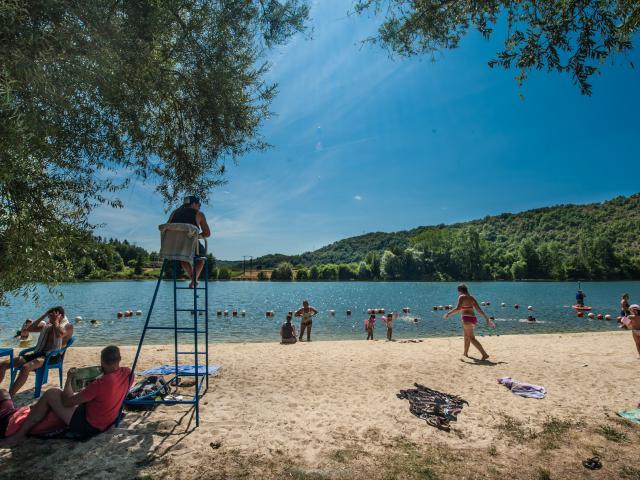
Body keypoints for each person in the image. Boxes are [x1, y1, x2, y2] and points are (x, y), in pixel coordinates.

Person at [1, 345, 131, 445]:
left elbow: (67, 402)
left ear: (102, 362)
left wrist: (69, 379)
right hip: (106, 418)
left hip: (88, 425)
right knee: (71, 394)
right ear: (119, 359)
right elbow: (109, 392)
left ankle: (20, 435)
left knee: (52, 393)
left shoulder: (101, 383)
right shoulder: (128, 373)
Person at [0, 307, 73, 396]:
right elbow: (29, 329)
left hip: (52, 356)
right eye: (49, 316)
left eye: (52, 316)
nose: (50, 319)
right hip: (38, 353)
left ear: (59, 316)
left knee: (26, 367)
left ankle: (9, 396)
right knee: (3, 364)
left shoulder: (68, 326)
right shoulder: (47, 325)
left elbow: (59, 334)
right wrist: (43, 315)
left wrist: (55, 321)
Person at [168, 195, 211, 288]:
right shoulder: (198, 214)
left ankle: (193, 280)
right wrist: (197, 236)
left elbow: (168, 228)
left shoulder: (174, 213)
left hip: (175, 247)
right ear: (193, 204)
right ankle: (194, 280)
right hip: (192, 246)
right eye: (199, 204)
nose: (199, 206)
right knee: (201, 258)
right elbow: (207, 233)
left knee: (183, 257)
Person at [444, 284, 495, 360]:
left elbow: (458, 308)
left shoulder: (461, 297)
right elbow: (479, 310)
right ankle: (465, 353)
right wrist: (486, 318)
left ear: (460, 290)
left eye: (458, 291)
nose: (458, 293)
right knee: (466, 336)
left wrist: (448, 313)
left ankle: (484, 354)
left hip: (466, 319)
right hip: (473, 319)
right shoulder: (471, 298)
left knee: (471, 338)